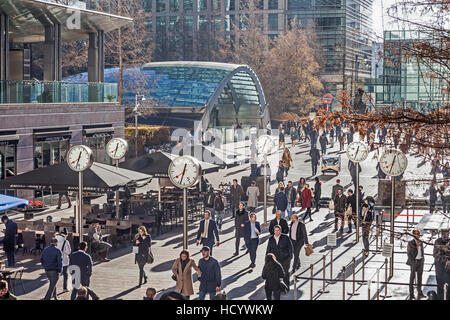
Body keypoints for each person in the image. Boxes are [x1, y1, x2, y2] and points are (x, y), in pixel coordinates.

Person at [266, 225, 293, 291]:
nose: (277, 232)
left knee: (285, 273)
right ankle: (279, 288)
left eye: (278, 230)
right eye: (275, 230)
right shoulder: (271, 239)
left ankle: (286, 287)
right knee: (277, 274)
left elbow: (290, 247)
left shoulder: (285, 237)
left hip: (285, 259)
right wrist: (267, 259)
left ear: (280, 231)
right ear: (274, 231)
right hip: (275, 260)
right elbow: (268, 249)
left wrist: (289, 257)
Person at [407, 229, 426, 300]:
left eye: (418, 234)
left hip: (421, 261)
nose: (417, 235)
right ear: (413, 234)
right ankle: (411, 294)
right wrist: (416, 246)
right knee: (412, 278)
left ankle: (420, 292)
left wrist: (423, 259)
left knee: (420, 278)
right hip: (414, 262)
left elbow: (422, 251)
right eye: (416, 234)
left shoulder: (421, 242)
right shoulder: (410, 243)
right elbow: (409, 253)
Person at [433, 229, 450, 300]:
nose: (446, 234)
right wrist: (446, 259)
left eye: (447, 233)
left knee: (449, 285)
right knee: (440, 285)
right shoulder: (437, 241)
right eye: (444, 233)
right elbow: (435, 255)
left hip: (448, 268)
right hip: (440, 267)